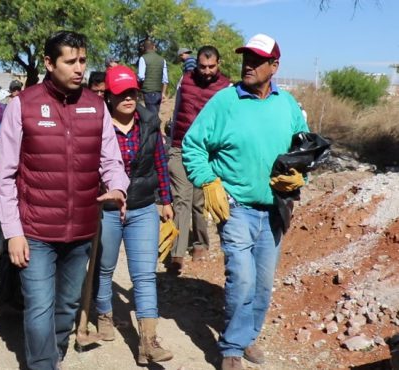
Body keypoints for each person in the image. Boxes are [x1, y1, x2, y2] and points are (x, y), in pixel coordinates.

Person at [0, 30, 129, 370]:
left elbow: (111, 161)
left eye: (83, 60)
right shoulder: (23, 105)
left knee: (67, 306)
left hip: (82, 230)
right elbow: (5, 176)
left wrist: (118, 186)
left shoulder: (96, 107)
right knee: (38, 307)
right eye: (70, 62)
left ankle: (53, 355)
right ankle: (42, 364)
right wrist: (13, 231)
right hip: (35, 232)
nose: (79, 68)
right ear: (49, 64)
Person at [182, 34, 309, 370]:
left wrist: (300, 178)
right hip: (236, 206)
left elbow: (303, 151)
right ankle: (232, 349)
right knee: (242, 277)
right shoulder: (225, 102)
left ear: (274, 66)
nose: (248, 65)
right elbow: (193, 144)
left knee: (263, 281)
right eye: (245, 58)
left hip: (276, 209)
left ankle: (248, 334)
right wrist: (208, 180)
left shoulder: (288, 104)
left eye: (257, 60)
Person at [94, 65, 174, 365]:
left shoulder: (149, 121)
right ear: (109, 96)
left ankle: (148, 341)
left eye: (132, 92)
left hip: (142, 207)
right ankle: (104, 314)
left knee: (144, 275)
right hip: (108, 208)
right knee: (105, 267)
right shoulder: (98, 124)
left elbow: (160, 162)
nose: (128, 98)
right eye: (120, 94)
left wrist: (165, 200)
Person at [167, 46, 231, 273]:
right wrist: (171, 140)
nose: (206, 71)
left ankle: (201, 244)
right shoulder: (184, 81)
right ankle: (176, 254)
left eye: (211, 66)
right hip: (179, 147)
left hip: (206, 152)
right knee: (181, 200)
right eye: (202, 67)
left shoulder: (226, 88)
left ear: (219, 64)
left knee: (199, 202)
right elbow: (176, 111)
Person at [137, 38, 168, 117]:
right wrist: (163, 93)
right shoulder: (162, 60)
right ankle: (157, 128)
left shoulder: (143, 58)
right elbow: (165, 79)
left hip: (148, 92)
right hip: (158, 92)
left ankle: (156, 129)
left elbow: (141, 77)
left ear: (144, 48)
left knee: (151, 117)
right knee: (156, 114)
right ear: (153, 47)